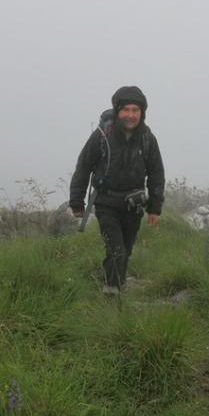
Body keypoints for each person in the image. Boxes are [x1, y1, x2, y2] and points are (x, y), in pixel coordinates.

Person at [69, 86, 165, 297]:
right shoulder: (102, 135)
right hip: (106, 203)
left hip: (134, 205)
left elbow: (157, 173)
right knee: (117, 250)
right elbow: (84, 166)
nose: (130, 115)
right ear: (117, 111)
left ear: (142, 113)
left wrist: (154, 208)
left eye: (135, 110)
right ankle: (111, 294)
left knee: (126, 251)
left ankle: (116, 285)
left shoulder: (148, 139)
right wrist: (76, 201)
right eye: (126, 110)